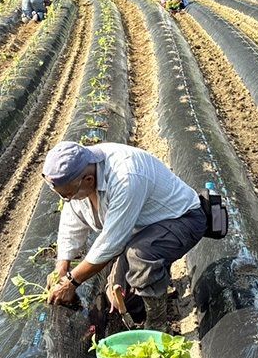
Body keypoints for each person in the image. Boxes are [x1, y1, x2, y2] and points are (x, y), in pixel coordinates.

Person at [43, 140, 207, 329]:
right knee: (120, 299)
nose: (67, 200)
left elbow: (112, 243)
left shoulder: (125, 176)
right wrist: (62, 267)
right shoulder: (81, 174)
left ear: (88, 180)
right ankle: (156, 286)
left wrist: (71, 282)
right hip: (141, 230)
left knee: (140, 255)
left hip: (183, 219)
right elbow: (72, 222)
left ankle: (157, 325)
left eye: (68, 194)